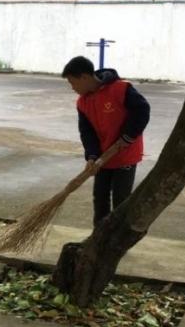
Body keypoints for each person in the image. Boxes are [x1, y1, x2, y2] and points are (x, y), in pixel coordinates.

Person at [61, 56, 150, 227]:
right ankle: (98, 237)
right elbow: (87, 133)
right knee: (100, 198)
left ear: (85, 77)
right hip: (102, 157)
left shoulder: (121, 89)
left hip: (125, 155)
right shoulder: (82, 103)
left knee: (121, 200)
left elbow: (142, 110)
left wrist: (127, 137)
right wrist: (92, 156)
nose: (72, 88)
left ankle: (117, 239)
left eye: (73, 83)